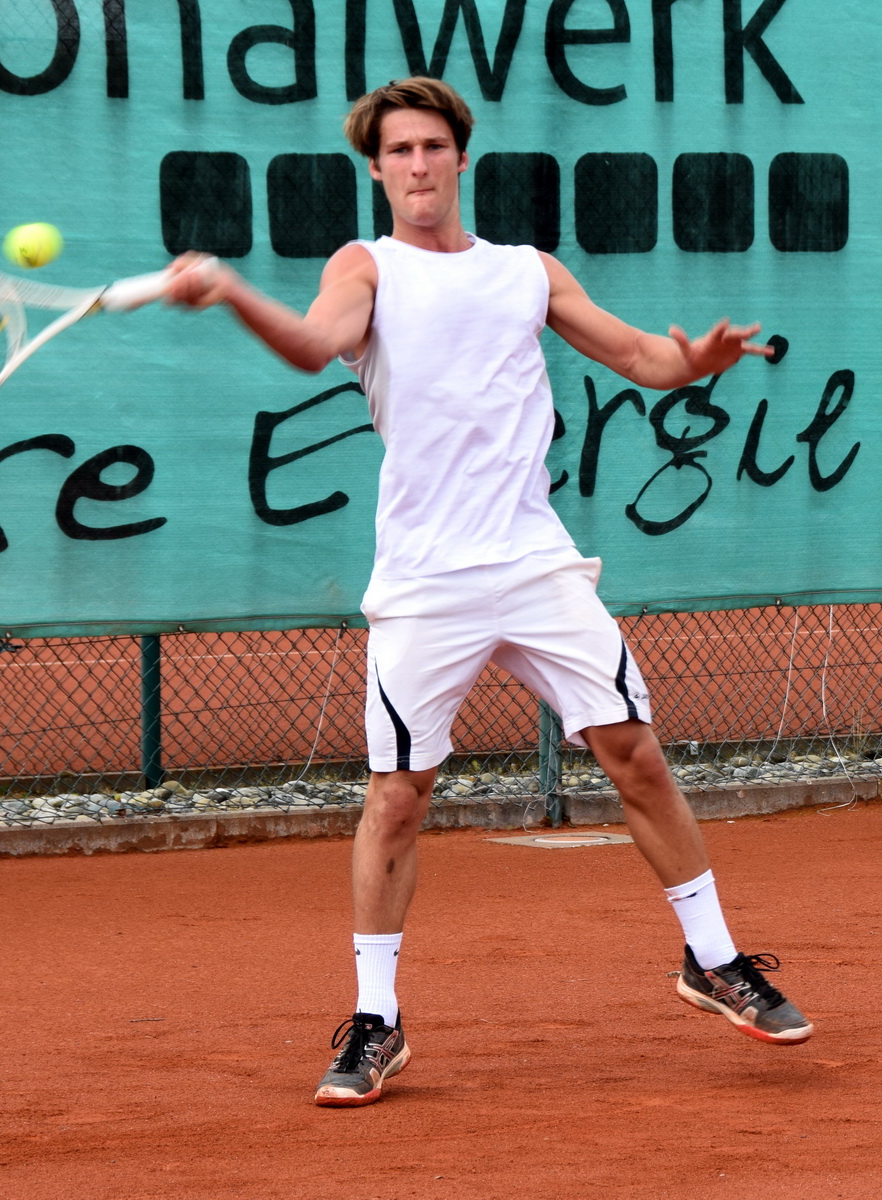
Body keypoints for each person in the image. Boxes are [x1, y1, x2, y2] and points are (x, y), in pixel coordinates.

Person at [166, 76, 812, 1109]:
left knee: (635, 752)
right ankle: (376, 1021)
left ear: (462, 157)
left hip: (532, 561)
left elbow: (640, 356)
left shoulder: (525, 271)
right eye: (399, 151)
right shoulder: (364, 267)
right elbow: (312, 345)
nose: (418, 164)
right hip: (425, 580)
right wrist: (235, 293)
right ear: (376, 170)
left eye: (432, 145)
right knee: (398, 796)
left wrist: (697, 361)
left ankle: (713, 959)